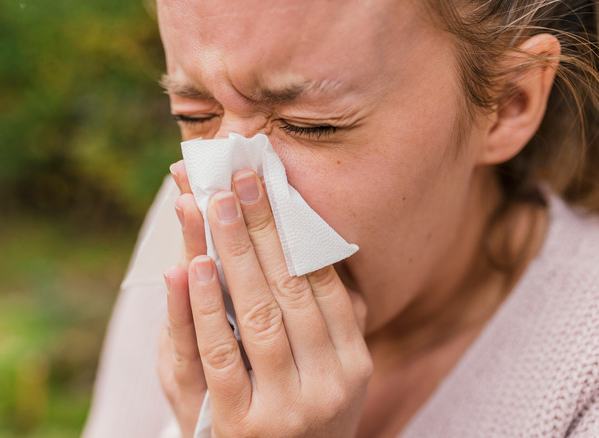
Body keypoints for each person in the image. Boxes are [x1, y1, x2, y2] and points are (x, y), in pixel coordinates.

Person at [82, 0, 599, 437]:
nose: (230, 198)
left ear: (509, 101)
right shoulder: (189, 218)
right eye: (193, 114)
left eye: (311, 126)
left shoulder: (582, 378)